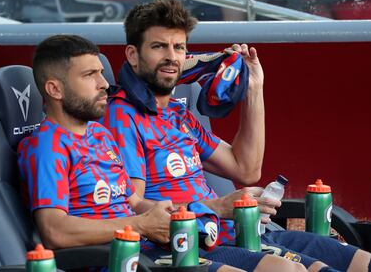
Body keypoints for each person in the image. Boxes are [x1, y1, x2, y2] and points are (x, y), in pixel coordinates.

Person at [100, 0, 371, 272]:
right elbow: (133, 207)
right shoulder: (121, 115)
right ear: (133, 55)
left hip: (235, 231)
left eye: (179, 47)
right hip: (180, 247)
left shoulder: (179, 115)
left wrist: (254, 89)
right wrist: (217, 207)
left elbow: (246, 168)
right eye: (159, 46)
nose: (172, 56)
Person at [17, 34, 307, 272]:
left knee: (284, 268)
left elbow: (134, 201)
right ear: (55, 89)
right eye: (89, 75)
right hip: (114, 260)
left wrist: (193, 211)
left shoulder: (101, 136)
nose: (104, 84)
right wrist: (142, 224)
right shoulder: (47, 146)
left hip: (154, 247)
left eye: (101, 74)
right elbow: (54, 230)